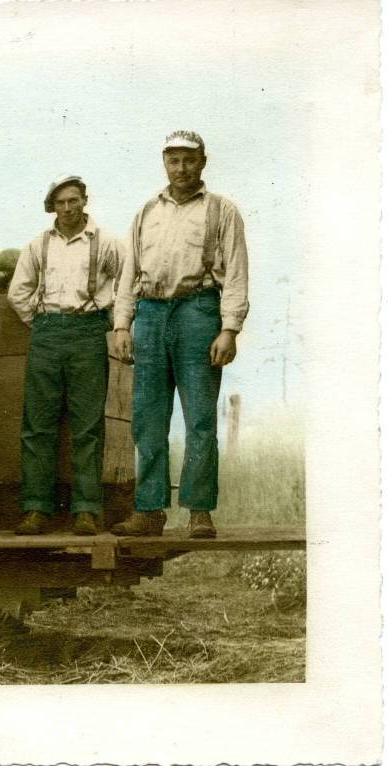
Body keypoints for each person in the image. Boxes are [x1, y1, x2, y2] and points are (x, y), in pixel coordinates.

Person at [111, 131, 249, 539]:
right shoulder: (146, 211)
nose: (181, 167)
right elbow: (128, 272)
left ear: (203, 162)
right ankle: (149, 511)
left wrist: (229, 328)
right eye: (174, 159)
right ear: (164, 162)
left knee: (200, 418)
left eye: (190, 159)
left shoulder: (222, 211)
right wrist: (122, 324)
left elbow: (237, 273)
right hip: (150, 314)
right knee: (148, 418)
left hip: (198, 311)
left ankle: (199, 511)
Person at [7, 174, 123, 536]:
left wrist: (111, 321)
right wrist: (40, 324)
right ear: (51, 207)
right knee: (38, 424)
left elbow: (127, 283)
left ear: (84, 201)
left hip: (88, 332)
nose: (68, 208)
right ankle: (36, 509)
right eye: (60, 203)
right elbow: (17, 292)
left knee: (87, 424)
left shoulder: (106, 243)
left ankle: (86, 509)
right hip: (46, 333)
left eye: (74, 200)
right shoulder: (38, 246)